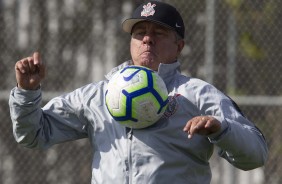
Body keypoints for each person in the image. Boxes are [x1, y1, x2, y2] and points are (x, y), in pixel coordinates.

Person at [9, 1, 268, 184]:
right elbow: (33, 135)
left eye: (159, 32)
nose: (147, 39)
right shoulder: (99, 95)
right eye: (140, 33)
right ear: (131, 42)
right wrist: (26, 93)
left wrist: (220, 129)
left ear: (179, 46)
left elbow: (255, 154)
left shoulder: (197, 94)